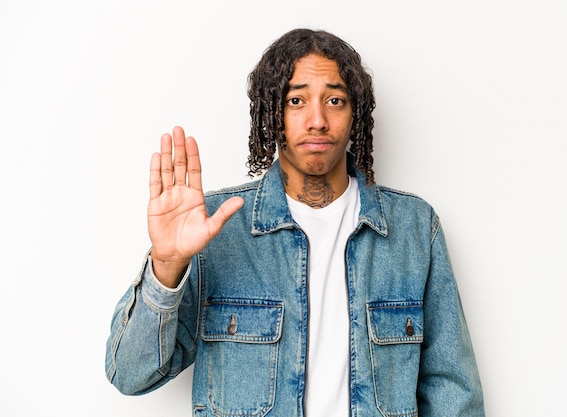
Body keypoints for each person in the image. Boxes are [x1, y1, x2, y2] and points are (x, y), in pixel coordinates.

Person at [105, 28, 485, 417]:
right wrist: (167, 265)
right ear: (272, 115)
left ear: (355, 114)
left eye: (334, 100)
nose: (317, 120)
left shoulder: (414, 229)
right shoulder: (216, 230)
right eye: (296, 100)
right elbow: (130, 374)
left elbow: (452, 392)